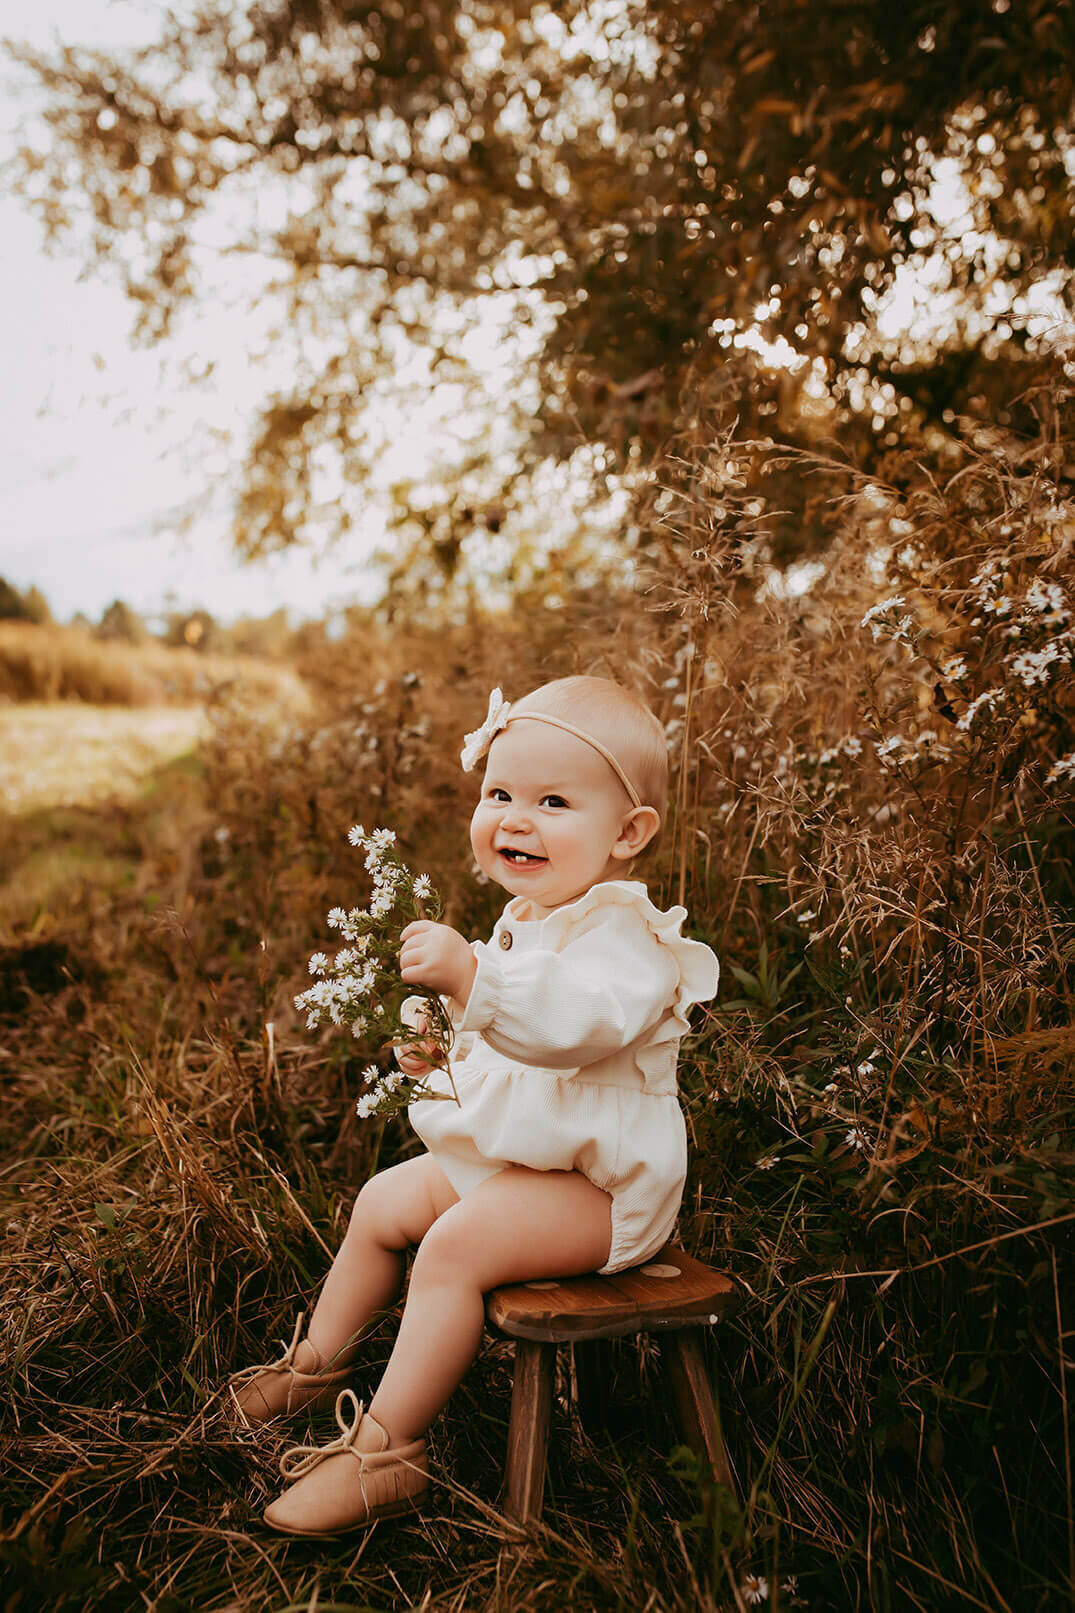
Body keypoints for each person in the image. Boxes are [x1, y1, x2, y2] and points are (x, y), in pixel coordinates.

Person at [229, 675, 720, 1536]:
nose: (514, 817)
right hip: (524, 1161)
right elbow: (506, 1048)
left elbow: (570, 1024)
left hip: (602, 1193)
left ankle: (389, 1449)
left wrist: (471, 977)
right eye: (498, 792)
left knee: (451, 1245)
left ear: (627, 833)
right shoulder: (524, 918)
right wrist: (436, 1046)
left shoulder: (629, 941)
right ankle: (313, 1363)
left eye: (553, 800)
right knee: (384, 1199)